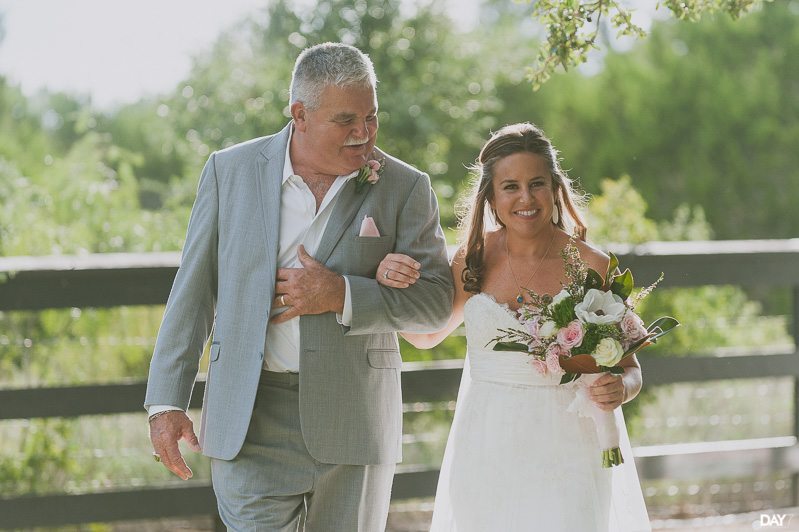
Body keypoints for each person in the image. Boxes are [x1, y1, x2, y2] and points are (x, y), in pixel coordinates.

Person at [144, 42, 454, 531]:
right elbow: (194, 290)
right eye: (347, 120)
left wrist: (342, 294)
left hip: (355, 421)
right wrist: (166, 402)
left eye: (372, 117)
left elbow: (436, 304)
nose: (364, 133)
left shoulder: (405, 186)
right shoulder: (231, 172)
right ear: (300, 114)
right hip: (249, 419)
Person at [376, 122, 651, 531]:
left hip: (570, 449)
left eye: (537, 183)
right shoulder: (474, 258)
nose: (526, 198)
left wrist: (621, 388)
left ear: (555, 187)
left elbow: (630, 369)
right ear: (491, 195)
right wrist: (388, 285)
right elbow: (425, 335)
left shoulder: (592, 265)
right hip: (487, 445)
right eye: (511, 186)